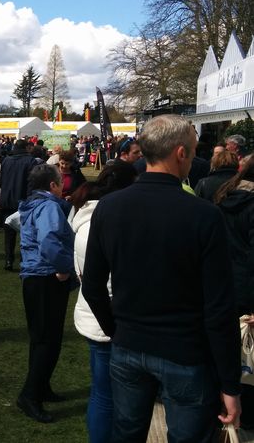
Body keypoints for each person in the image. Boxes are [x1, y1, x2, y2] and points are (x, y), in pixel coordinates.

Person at [82, 115, 241, 440]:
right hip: (183, 353)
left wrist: (117, 330)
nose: (196, 159)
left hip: (131, 345)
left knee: (126, 433)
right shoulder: (204, 215)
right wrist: (230, 384)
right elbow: (220, 307)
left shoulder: (110, 207)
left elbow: (92, 285)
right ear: (180, 153)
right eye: (194, 151)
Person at [70, 162, 138, 441]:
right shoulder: (106, 222)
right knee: (108, 395)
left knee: (101, 392)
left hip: (91, 313)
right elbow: (106, 281)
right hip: (106, 317)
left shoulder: (84, 216)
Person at [16, 164, 74, 424]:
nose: (63, 185)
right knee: (47, 340)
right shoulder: (49, 207)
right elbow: (49, 240)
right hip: (45, 277)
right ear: (52, 185)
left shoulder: (33, 204)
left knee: (41, 338)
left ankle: (41, 386)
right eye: (60, 181)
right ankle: (30, 395)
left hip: (35, 276)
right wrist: (64, 267)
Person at [215, 154, 254, 429]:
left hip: (222, 283)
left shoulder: (223, 195)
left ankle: (227, 406)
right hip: (245, 286)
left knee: (230, 349)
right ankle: (244, 412)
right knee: (247, 353)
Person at [0, 139, 39, 271]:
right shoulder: (30, 161)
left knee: (9, 233)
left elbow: (1, 180)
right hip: (23, 201)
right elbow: (32, 183)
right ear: (26, 147)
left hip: (7, 200)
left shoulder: (6, 160)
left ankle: (9, 259)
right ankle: (23, 259)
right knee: (26, 233)